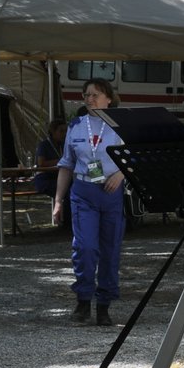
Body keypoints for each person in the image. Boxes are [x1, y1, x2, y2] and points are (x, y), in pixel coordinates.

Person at [54, 79, 126, 325]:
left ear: (108, 98)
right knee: (85, 247)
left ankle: (104, 304)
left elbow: (134, 157)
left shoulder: (120, 125)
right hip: (84, 189)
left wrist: (120, 174)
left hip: (111, 191)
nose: (90, 99)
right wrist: (58, 200)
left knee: (110, 249)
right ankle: (83, 300)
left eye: (95, 95)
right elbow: (66, 165)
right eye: (86, 95)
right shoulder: (75, 126)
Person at [34, 118, 70, 229]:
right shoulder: (44, 145)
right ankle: (66, 224)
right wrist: (60, 160)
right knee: (67, 191)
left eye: (65, 131)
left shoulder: (63, 145)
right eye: (61, 131)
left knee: (73, 188)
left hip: (58, 177)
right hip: (45, 179)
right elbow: (41, 163)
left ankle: (69, 221)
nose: (64, 134)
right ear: (53, 132)